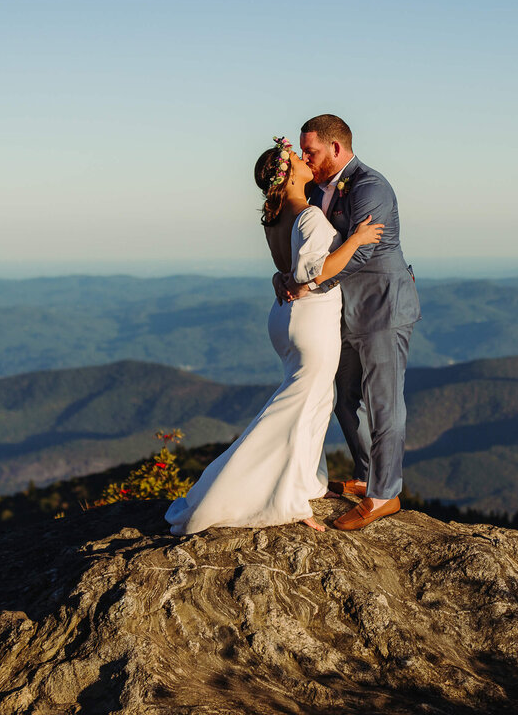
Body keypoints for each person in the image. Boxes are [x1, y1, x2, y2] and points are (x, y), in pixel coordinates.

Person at [165, 137, 384, 535]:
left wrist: (282, 278)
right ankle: (286, 500)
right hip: (311, 320)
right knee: (297, 407)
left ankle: (307, 481)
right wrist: (355, 240)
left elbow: (283, 270)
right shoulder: (310, 217)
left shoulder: (276, 216)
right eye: (297, 158)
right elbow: (309, 273)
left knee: (319, 398)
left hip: (285, 319)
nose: (304, 159)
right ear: (287, 176)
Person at [276, 114, 421, 530]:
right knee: (342, 398)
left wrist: (309, 284)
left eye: (312, 151)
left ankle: (384, 494)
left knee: (384, 404)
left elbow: (362, 252)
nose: (306, 157)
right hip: (345, 313)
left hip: (383, 310)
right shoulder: (320, 188)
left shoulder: (370, 186)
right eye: (302, 151)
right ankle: (364, 475)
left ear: (336, 148)